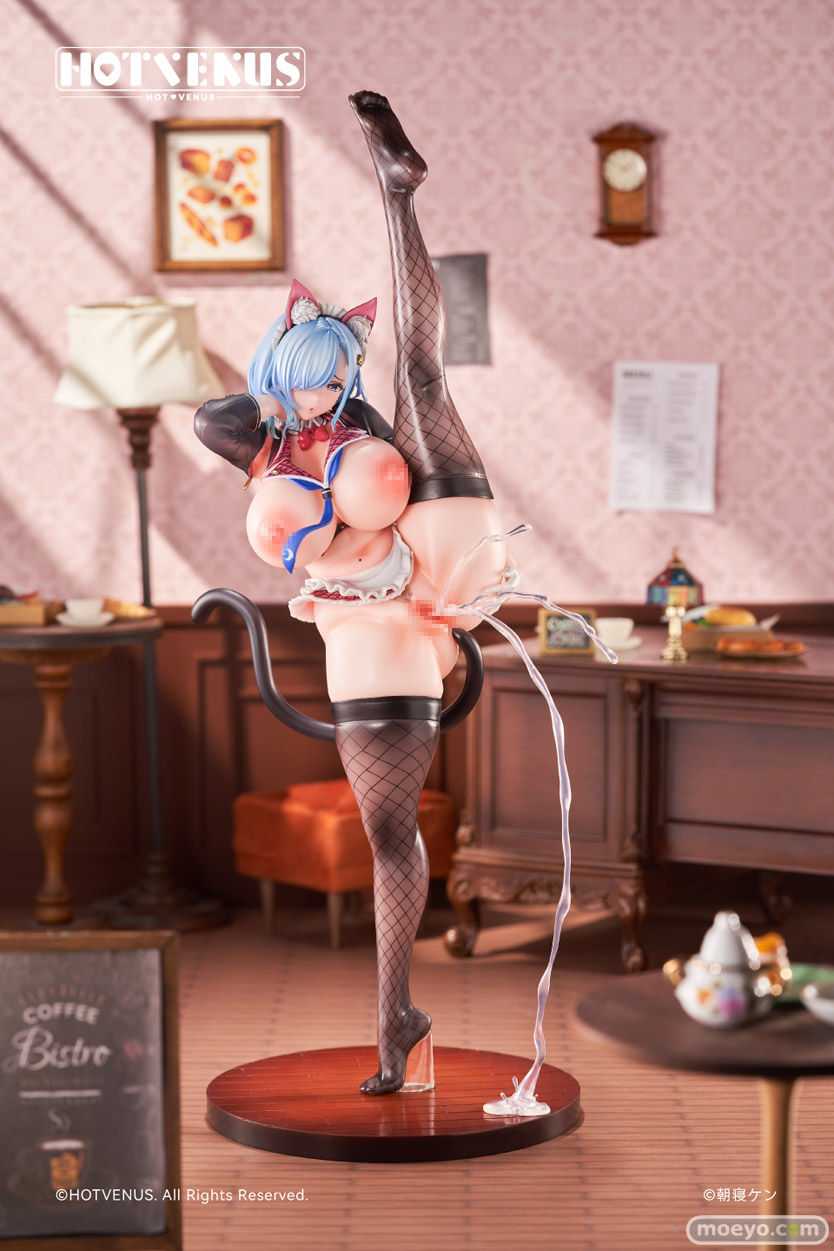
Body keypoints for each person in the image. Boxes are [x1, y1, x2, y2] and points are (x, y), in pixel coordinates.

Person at [195, 91, 517, 1095]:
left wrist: (334, 464)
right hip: (379, 633)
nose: (321, 396)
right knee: (387, 833)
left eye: (334, 380)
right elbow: (211, 418)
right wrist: (281, 422)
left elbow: (396, 385)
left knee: (422, 376)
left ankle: (398, 194)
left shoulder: (368, 429)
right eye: (308, 379)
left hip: (434, 542)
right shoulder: (269, 444)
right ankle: (396, 1012)